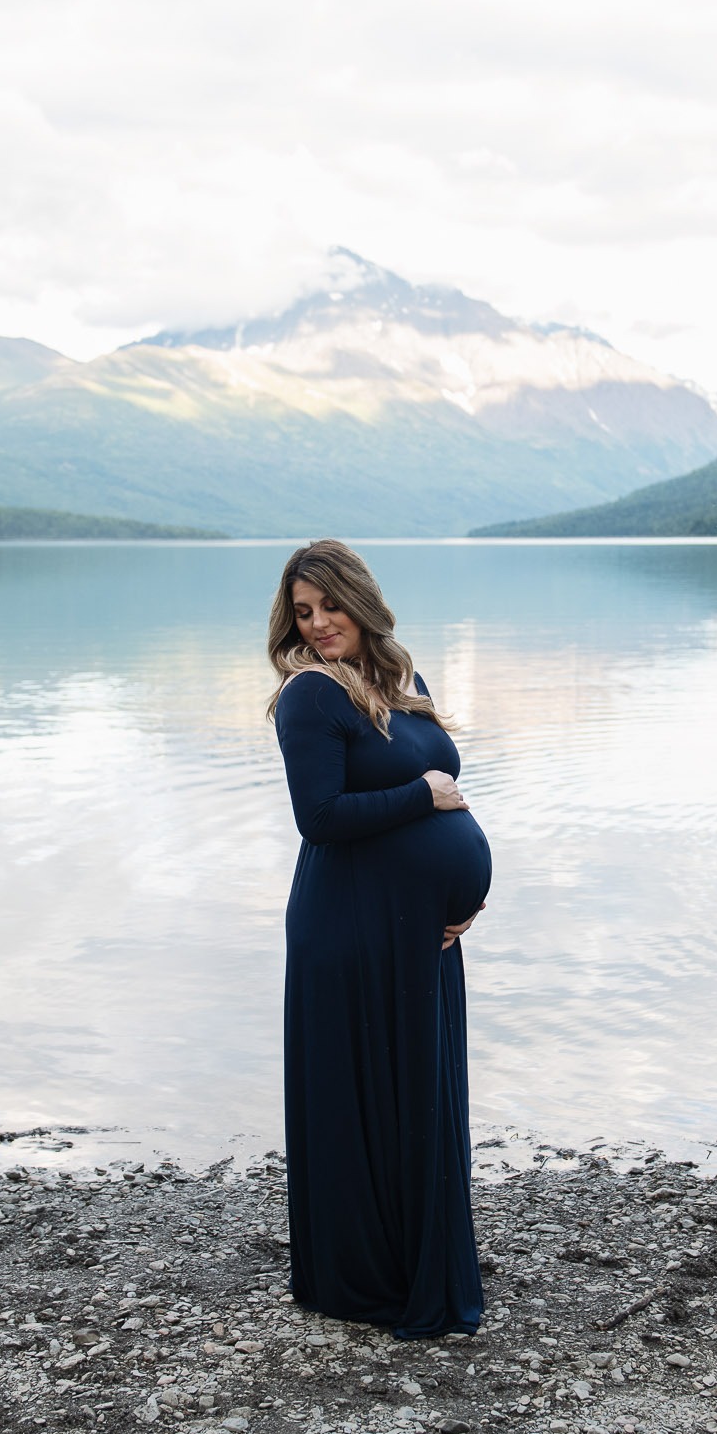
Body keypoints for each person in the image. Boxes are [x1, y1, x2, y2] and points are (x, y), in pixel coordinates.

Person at [266, 539, 489, 1339]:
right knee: (363, 1096)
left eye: (330, 606)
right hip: (350, 925)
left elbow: (442, 795)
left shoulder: (402, 679)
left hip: (418, 933)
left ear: (361, 602)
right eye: (303, 612)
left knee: (418, 1093)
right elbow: (320, 818)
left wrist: (462, 896)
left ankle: (416, 1251)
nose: (320, 624)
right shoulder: (310, 697)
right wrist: (421, 795)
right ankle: (365, 1275)